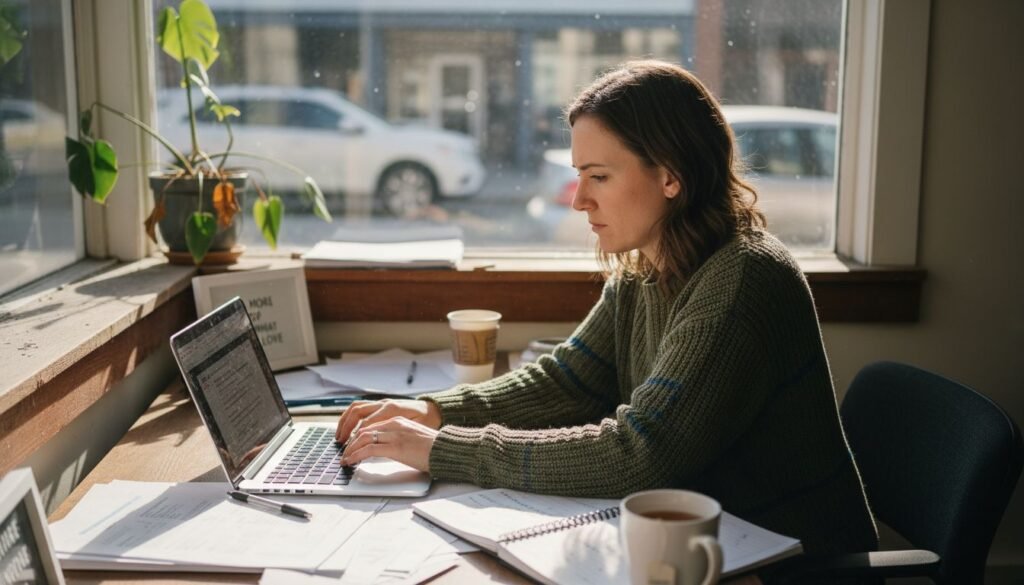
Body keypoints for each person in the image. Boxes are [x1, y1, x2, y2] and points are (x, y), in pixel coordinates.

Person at [335, 60, 877, 556]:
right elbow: (567, 381)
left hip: (792, 560)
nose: (578, 199)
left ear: (669, 176)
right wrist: (432, 412)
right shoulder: (647, 266)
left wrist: (443, 448)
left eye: (598, 176)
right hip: (703, 543)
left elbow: (641, 454)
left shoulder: (739, 282)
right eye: (579, 174)